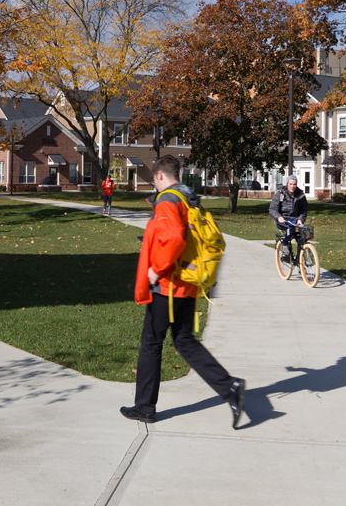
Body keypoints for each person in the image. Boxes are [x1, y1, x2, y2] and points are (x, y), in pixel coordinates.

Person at [120, 154, 246, 427]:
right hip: (189, 283)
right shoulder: (189, 198)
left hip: (168, 286)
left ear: (159, 176)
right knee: (184, 341)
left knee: (151, 344)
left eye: (154, 180)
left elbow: (175, 238)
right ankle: (230, 386)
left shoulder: (167, 200)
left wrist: (157, 271)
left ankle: (144, 407)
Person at [270, 175, 308, 261]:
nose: (292, 186)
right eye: (290, 184)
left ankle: (300, 260)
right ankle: (284, 244)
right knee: (290, 227)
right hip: (283, 219)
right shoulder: (280, 194)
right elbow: (272, 209)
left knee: (302, 237)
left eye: (294, 184)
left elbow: (304, 209)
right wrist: (278, 217)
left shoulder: (300, 195)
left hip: (296, 220)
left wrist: (300, 219)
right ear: (287, 184)